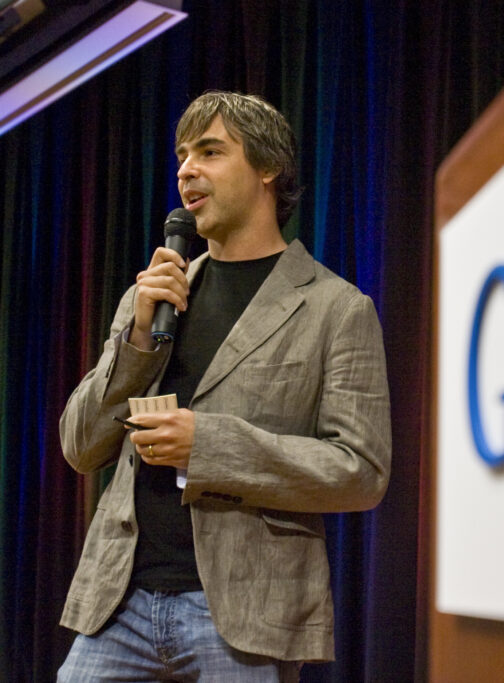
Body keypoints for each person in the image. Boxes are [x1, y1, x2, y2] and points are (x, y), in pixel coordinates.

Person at [56, 91, 392, 681]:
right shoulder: (153, 295)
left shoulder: (335, 308)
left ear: (268, 169)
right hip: (118, 601)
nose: (187, 169)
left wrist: (208, 446)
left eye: (210, 151)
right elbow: (81, 446)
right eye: (183, 156)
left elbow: (361, 471)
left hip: (241, 614)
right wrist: (135, 338)